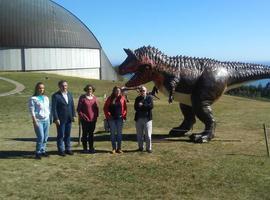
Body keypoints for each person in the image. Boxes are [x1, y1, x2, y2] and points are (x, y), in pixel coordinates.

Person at [51, 80, 76, 156]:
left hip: (69, 118)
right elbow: (54, 108)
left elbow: (72, 105)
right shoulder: (55, 96)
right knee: (61, 135)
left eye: (65, 85)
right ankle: (61, 150)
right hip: (60, 119)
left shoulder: (69, 94)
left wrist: (73, 115)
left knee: (68, 134)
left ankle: (68, 149)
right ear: (59, 86)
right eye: (63, 85)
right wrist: (56, 118)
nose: (64, 87)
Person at [28, 82, 50, 159]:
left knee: (46, 137)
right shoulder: (33, 99)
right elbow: (32, 111)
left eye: (43, 88)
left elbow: (47, 109)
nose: (41, 89)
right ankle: (37, 152)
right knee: (41, 137)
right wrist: (35, 121)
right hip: (38, 121)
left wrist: (49, 117)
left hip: (46, 119)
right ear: (37, 89)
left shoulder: (46, 98)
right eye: (40, 88)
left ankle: (43, 150)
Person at [103, 86, 127, 154]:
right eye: (116, 91)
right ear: (114, 91)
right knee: (112, 134)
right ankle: (113, 148)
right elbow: (105, 108)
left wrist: (124, 116)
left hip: (120, 119)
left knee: (119, 134)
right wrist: (108, 115)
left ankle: (119, 148)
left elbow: (125, 108)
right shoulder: (110, 98)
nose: (118, 92)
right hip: (112, 119)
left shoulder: (122, 98)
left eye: (119, 91)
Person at [77, 84, 99, 154]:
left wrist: (96, 117)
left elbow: (96, 109)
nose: (89, 90)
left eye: (91, 89)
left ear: (93, 90)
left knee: (91, 134)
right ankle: (85, 148)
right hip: (85, 120)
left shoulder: (94, 98)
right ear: (86, 89)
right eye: (88, 89)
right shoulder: (82, 97)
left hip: (93, 120)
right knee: (85, 134)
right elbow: (78, 109)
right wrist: (83, 116)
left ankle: (91, 148)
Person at [134, 86, 154, 153]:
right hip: (139, 119)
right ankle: (140, 147)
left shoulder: (149, 98)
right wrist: (140, 106)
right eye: (141, 91)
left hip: (147, 119)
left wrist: (142, 105)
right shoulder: (137, 98)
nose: (142, 92)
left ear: (146, 91)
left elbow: (151, 106)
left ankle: (149, 148)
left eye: (143, 90)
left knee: (148, 135)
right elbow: (135, 108)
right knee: (139, 135)